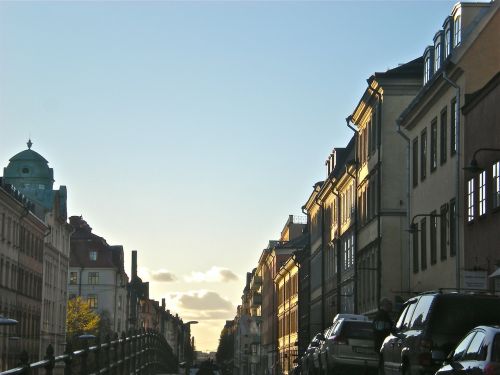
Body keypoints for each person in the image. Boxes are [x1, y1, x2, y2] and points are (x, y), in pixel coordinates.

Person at [373, 298, 394, 375]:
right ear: (386, 305)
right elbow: (382, 330)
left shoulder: (381, 315)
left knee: (382, 362)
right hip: (382, 343)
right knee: (382, 363)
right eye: (390, 305)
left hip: (381, 343)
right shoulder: (382, 316)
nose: (391, 307)